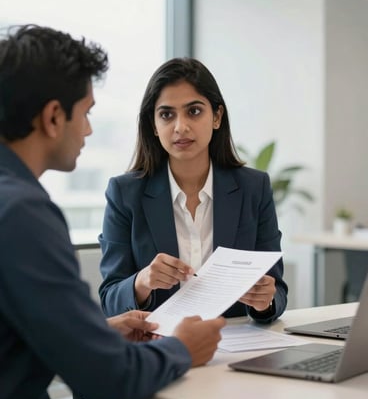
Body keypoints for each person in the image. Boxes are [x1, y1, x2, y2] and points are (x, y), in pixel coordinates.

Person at [0, 25, 226, 399]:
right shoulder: (21, 214)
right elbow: (109, 379)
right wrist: (182, 349)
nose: (88, 129)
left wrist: (100, 333)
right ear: (54, 117)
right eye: (85, 113)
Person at [99, 57, 288, 324]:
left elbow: (277, 291)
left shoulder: (253, 188)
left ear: (217, 117)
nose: (180, 127)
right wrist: (142, 282)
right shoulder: (124, 193)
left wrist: (264, 301)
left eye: (194, 111)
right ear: (154, 125)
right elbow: (109, 300)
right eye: (166, 115)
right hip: (159, 350)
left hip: (233, 348)